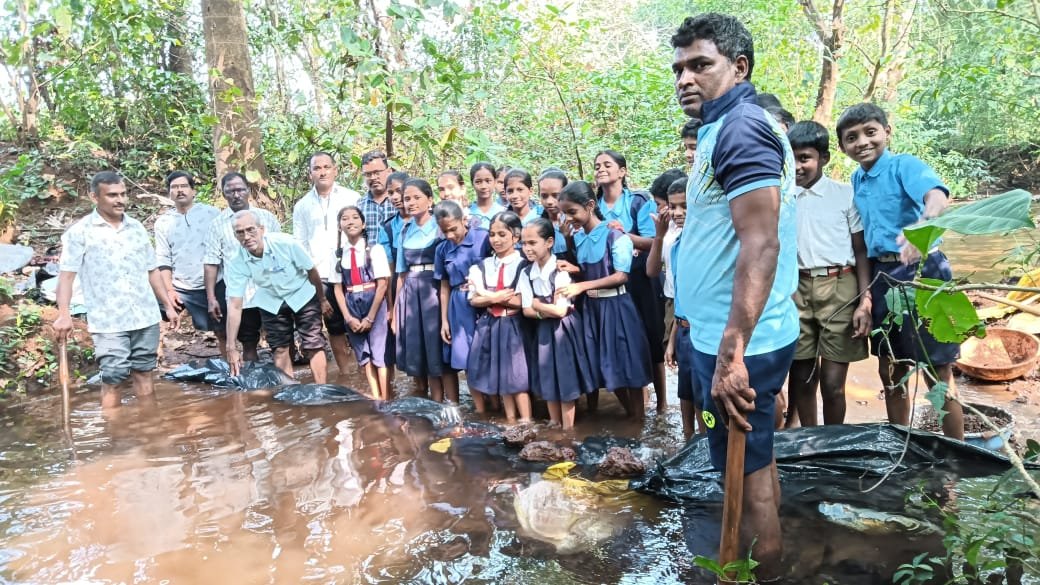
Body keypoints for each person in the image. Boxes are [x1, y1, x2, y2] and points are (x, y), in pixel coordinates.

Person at [672, 13, 799, 578]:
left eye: (700, 65)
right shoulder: (722, 130)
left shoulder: (743, 128)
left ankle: (765, 570)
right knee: (753, 461)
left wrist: (731, 352)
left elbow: (761, 243)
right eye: (678, 68)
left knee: (745, 482)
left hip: (741, 342)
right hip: (725, 333)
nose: (684, 78)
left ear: (739, 66)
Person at [836, 102, 965, 439]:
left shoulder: (903, 166)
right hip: (883, 278)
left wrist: (921, 229)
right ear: (842, 147)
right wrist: (865, 297)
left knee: (938, 371)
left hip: (922, 271)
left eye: (870, 132)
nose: (862, 142)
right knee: (890, 368)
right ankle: (899, 447)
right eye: (852, 137)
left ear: (887, 132)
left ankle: (957, 457)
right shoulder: (857, 178)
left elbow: (936, 196)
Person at [53, 171, 181, 408]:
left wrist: (167, 305)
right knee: (113, 378)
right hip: (108, 321)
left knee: (144, 372)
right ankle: (114, 438)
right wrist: (63, 314)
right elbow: (66, 277)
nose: (120, 200)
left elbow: (151, 270)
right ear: (94, 197)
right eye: (112, 195)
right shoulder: (80, 232)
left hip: (144, 316)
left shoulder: (136, 228)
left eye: (123, 194)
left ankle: (149, 427)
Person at [785, 121, 871, 427]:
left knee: (833, 383)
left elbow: (861, 251)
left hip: (841, 287)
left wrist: (864, 301)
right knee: (802, 376)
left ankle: (834, 441)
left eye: (804, 158)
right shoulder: (782, 200)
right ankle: (811, 441)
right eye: (791, 158)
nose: (797, 166)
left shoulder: (845, 195)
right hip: (796, 289)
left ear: (824, 158)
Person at [557, 180, 652, 420]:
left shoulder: (614, 235)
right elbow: (590, 268)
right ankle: (631, 415)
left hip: (616, 308)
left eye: (572, 212)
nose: (568, 219)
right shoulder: (578, 238)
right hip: (592, 309)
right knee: (603, 365)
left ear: (590, 205)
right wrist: (574, 266)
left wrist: (581, 285)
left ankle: (638, 420)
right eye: (564, 213)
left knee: (626, 365)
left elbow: (621, 275)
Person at [594, 149, 667, 412]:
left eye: (607, 165)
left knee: (652, 337)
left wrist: (624, 234)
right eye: (597, 166)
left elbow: (652, 242)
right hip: (610, 279)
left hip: (640, 278)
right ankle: (639, 402)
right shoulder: (594, 205)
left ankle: (661, 403)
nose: (601, 169)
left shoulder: (638, 201)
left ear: (622, 171)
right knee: (628, 339)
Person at [225, 209, 330, 383]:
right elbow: (235, 304)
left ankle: (322, 388)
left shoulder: (285, 243)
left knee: (313, 344)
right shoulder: (237, 261)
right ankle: (290, 392)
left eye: (251, 229)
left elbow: (311, 270)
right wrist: (231, 347)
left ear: (262, 229)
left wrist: (322, 299)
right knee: (279, 348)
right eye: (240, 232)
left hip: (301, 295)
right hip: (270, 301)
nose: (246, 236)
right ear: (235, 236)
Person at [518, 218, 594, 429]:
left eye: (532, 243)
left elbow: (560, 310)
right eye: (524, 243)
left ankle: (567, 429)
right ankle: (553, 422)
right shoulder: (526, 272)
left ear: (549, 242)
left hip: (564, 330)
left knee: (565, 374)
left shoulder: (560, 271)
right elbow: (526, 310)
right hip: (544, 329)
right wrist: (544, 309)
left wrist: (538, 306)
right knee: (547, 372)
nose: (527, 248)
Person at [292, 151, 360, 376]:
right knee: (335, 328)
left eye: (326, 167)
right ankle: (348, 378)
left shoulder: (352, 197)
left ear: (335, 170)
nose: (322, 172)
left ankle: (366, 377)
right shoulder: (302, 206)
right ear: (310, 173)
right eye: (316, 168)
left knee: (358, 324)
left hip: (352, 272)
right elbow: (299, 245)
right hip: (320, 275)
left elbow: (363, 234)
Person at [203, 172, 282, 361]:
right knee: (248, 343)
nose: (236, 195)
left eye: (240, 190)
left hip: (271, 290)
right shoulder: (217, 225)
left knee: (280, 342)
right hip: (241, 295)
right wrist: (211, 298)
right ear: (224, 194)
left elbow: (280, 252)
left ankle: (285, 384)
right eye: (230, 191)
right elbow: (211, 262)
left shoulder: (266, 218)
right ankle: (254, 387)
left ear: (248, 191)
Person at [648, 177, 702, 439]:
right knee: (686, 389)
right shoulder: (675, 243)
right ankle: (688, 439)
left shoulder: (706, 244)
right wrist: (672, 339)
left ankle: (705, 444)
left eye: (685, 206)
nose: (678, 213)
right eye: (673, 207)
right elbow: (677, 297)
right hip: (682, 327)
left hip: (702, 331)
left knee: (703, 394)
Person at [467, 211, 532, 423]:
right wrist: (496, 296)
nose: (496, 239)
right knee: (501, 373)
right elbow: (473, 300)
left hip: (514, 325)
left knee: (517, 376)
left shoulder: (524, 265)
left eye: (502, 234)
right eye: (492, 234)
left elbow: (520, 301)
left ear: (516, 236)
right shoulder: (482, 265)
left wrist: (485, 294)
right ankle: (510, 420)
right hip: (490, 324)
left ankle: (527, 421)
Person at [330, 206, 391, 399]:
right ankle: (375, 397)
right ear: (340, 226)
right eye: (345, 219)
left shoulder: (375, 249)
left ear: (363, 223)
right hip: (351, 305)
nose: (350, 222)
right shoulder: (338, 255)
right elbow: (337, 288)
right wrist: (348, 318)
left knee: (379, 354)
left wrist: (371, 317)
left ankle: (386, 397)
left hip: (374, 302)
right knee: (364, 356)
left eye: (355, 217)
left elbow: (382, 284)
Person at [434, 200, 490, 406]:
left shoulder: (483, 238)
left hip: (485, 301)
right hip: (459, 306)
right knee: (467, 357)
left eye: (453, 229)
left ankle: (495, 404)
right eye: (444, 231)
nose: (450, 235)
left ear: (463, 220)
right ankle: (480, 408)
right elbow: (444, 287)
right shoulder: (442, 249)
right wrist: (445, 321)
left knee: (487, 353)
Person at [394, 179, 446, 400]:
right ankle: (420, 401)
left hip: (433, 291)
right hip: (410, 293)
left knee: (433, 348)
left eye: (417, 197)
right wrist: (395, 311)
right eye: (407, 198)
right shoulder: (405, 231)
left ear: (430, 199)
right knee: (415, 347)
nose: (411, 202)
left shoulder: (440, 226)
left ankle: (438, 402)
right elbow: (401, 273)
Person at [154, 171, 220, 336]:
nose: (179, 190)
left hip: (214, 282)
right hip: (181, 286)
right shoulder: (163, 222)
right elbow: (163, 259)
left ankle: (228, 361)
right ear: (169, 193)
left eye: (184, 186)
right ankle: (156, 357)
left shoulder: (212, 214)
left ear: (193, 191)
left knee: (222, 331)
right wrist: (169, 290)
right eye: (174, 187)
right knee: (158, 319)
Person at [379, 171, 410, 382]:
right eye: (391, 193)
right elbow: (389, 270)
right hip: (400, 287)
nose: (395, 197)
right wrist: (391, 306)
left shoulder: (430, 219)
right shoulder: (388, 227)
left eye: (399, 191)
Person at [357, 150, 397, 243]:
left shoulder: (399, 202)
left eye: (377, 172)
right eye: (368, 174)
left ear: (389, 172)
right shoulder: (359, 206)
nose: (373, 177)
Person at [469, 162, 506, 230]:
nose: (484, 186)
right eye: (478, 182)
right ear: (472, 184)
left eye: (488, 181)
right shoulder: (466, 212)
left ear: (495, 182)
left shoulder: (504, 212)